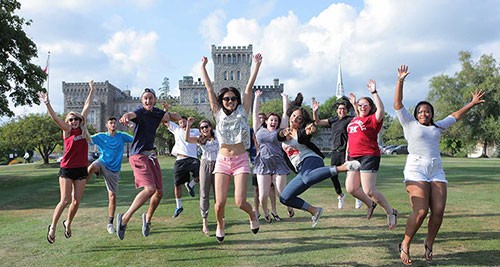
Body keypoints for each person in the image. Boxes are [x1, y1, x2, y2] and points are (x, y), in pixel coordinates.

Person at [394, 65, 485, 265]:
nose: (424, 114)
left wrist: (471, 103)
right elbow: (398, 103)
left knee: (438, 212)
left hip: (436, 170)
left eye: (427, 112)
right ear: (416, 114)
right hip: (415, 169)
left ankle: (429, 242)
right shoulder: (409, 124)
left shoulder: (437, 126)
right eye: (421, 111)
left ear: (431, 114)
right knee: (420, 212)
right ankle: (405, 244)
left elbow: (455, 116)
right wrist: (401, 80)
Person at [201, 53, 262, 243]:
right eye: (227, 99)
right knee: (219, 203)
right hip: (222, 160)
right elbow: (209, 89)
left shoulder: (243, 111)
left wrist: (256, 65)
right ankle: (220, 224)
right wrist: (203, 67)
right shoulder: (217, 114)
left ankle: (252, 214)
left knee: (240, 202)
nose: (230, 101)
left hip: (241, 160)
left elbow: (249, 88)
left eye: (233, 98)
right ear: (222, 101)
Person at [278, 93, 361, 227]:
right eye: (293, 116)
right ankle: (314, 211)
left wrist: (309, 131)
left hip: (312, 160)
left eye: (299, 118)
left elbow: (305, 136)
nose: (295, 119)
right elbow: (279, 136)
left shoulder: (301, 132)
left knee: (307, 178)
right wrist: (283, 133)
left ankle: (343, 167)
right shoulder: (284, 131)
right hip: (302, 169)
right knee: (285, 197)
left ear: (301, 121)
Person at [115, 88, 180, 240]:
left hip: (151, 156)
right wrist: (125, 116)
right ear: (142, 101)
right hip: (138, 155)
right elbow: (130, 115)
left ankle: (147, 219)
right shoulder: (139, 112)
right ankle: (124, 219)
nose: (148, 101)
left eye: (150, 98)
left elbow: (173, 117)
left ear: (154, 99)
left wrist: (171, 114)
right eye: (145, 98)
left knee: (159, 192)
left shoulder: (157, 113)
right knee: (150, 189)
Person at [39, 80, 95, 244]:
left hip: (81, 169)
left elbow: (87, 105)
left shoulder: (82, 129)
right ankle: (53, 227)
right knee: (65, 200)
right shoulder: (68, 130)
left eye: (75, 119)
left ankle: (68, 223)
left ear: (79, 120)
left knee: (77, 201)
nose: (73, 121)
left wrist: (92, 89)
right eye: (70, 120)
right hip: (67, 169)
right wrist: (47, 104)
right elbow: (56, 119)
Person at [345, 80, 398, 229]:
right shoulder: (355, 119)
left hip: (369, 155)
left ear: (370, 108)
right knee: (350, 188)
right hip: (354, 157)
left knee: (369, 190)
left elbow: (381, 110)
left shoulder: (373, 120)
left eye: (365, 105)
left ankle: (390, 212)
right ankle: (370, 204)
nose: (362, 107)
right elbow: (352, 136)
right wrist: (347, 155)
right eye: (360, 105)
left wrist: (374, 93)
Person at [313, 97, 365, 209]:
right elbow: (317, 122)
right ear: (337, 110)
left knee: (350, 176)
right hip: (335, 152)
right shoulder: (334, 120)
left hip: (347, 151)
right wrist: (315, 111)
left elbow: (359, 118)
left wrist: (354, 104)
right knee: (333, 175)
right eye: (340, 109)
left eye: (344, 109)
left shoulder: (350, 119)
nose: (342, 110)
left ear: (347, 110)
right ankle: (340, 195)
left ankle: (358, 197)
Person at [86, 116, 133, 234]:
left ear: (116, 125)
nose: (113, 124)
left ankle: (110, 223)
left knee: (112, 196)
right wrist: (83, 126)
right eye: (110, 123)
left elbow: (136, 139)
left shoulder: (122, 136)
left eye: (114, 123)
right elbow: (87, 139)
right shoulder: (101, 136)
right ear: (107, 125)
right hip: (103, 163)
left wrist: (133, 128)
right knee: (92, 166)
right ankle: (81, 185)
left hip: (114, 170)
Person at [252, 90, 291, 223]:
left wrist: (285, 99)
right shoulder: (259, 130)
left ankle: (290, 206)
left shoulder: (280, 131)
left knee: (281, 192)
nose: (273, 122)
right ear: (267, 121)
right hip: (262, 164)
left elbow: (285, 115)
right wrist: (256, 98)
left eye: (276, 120)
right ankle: (266, 213)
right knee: (263, 195)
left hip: (279, 163)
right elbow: (255, 115)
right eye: (271, 120)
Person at [185, 118, 219, 236]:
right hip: (205, 165)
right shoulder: (200, 140)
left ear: (210, 127)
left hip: (218, 165)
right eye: (202, 128)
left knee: (218, 195)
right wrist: (189, 126)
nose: (205, 129)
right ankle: (205, 222)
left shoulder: (218, 136)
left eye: (206, 126)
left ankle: (220, 221)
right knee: (204, 194)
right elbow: (187, 139)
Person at [167, 116, 200, 218]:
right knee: (177, 184)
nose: (182, 124)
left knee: (199, 177)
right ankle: (178, 206)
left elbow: (208, 135)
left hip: (192, 159)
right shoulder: (176, 130)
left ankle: (190, 185)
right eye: (180, 122)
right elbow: (165, 121)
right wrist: (165, 109)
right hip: (180, 160)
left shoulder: (195, 131)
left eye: (184, 122)